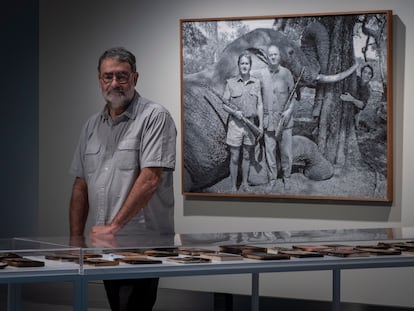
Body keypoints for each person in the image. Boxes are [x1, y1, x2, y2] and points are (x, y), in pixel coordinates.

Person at [69, 47, 177, 311]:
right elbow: (81, 184)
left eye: (121, 76)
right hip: (105, 246)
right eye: (108, 77)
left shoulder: (154, 117)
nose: (114, 83)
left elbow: (150, 179)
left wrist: (114, 227)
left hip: (143, 246)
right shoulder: (92, 125)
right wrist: (75, 240)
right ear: (99, 79)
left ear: (135, 78)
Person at [256, 45, 296, 190]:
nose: (273, 57)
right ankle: (272, 179)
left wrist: (289, 111)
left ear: (279, 57)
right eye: (270, 54)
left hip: (285, 120)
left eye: (275, 54)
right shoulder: (261, 74)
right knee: (270, 151)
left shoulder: (287, 74)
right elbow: (258, 97)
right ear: (267, 57)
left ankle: (287, 177)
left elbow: (293, 97)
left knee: (286, 152)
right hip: (268, 121)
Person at [222, 51, 263, 192]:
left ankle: (245, 183)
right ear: (238, 65)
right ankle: (233, 186)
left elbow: (259, 105)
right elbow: (224, 104)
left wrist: (261, 125)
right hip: (235, 125)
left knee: (246, 155)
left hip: (251, 125)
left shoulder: (257, 82)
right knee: (234, 157)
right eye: (242, 63)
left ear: (250, 65)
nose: (244, 66)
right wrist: (235, 112)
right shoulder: (231, 82)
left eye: (247, 63)